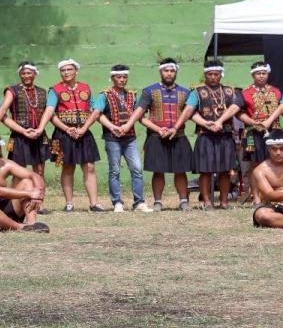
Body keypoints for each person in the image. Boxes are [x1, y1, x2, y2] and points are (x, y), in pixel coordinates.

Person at [127, 58, 194, 211]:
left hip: (179, 135)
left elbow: (189, 113)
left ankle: (183, 201)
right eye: (166, 70)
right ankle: (158, 202)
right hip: (156, 136)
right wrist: (158, 129)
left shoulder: (185, 92)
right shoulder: (149, 91)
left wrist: (206, 123)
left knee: (181, 170)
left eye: (172, 71)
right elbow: (140, 116)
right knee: (158, 170)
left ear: (176, 72)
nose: (169, 74)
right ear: (160, 71)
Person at [179, 59, 244, 210]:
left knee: (225, 170)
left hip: (225, 134)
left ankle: (224, 201)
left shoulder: (230, 91)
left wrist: (220, 121)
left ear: (221, 74)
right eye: (209, 74)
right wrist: (204, 123)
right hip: (205, 135)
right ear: (205, 74)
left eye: (216, 74)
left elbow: (236, 106)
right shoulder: (196, 92)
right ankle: (207, 201)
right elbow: (190, 111)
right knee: (206, 171)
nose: (213, 77)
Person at [42, 59, 105, 212]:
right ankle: (69, 203)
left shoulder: (86, 87)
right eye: (63, 70)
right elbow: (51, 113)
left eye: (70, 69)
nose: (66, 73)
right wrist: (67, 129)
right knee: (68, 167)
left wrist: (84, 128)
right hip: (63, 134)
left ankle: (94, 203)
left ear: (76, 71)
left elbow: (94, 110)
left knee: (89, 166)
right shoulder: (54, 90)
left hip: (84, 133)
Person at [91, 65, 151, 213]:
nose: (122, 80)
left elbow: (138, 115)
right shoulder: (104, 95)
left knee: (137, 169)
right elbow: (97, 114)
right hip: (112, 139)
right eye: (119, 77)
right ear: (112, 78)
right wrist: (112, 127)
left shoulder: (132, 95)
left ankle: (139, 202)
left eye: (124, 77)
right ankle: (117, 202)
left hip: (130, 138)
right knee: (115, 170)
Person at [238, 61, 283, 205]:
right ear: (253, 75)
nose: (261, 76)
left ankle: (272, 196)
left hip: (274, 131)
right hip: (254, 132)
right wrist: (253, 123)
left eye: (263, 73)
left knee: (275, 164)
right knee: (255, 165)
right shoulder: (245, 92)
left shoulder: (276, 91)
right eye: (258, 73)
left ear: (268, 74)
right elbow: (239, 113)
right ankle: (256, 197)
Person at [0, 61, 50, 181]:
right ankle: (17, 199)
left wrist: (40, 130)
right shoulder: (12, 90)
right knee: (18, 171)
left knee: (39, 171)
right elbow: (3, 110)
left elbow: (49, 113)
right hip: (19, 135)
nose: (26, 76)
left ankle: (38, 198)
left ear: (35, 74)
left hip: (38, 135)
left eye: (29, 73)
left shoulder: (42, 91)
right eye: (23, 73)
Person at [250, 131, 283, 229]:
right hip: (276, 207)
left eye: (282, 149)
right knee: (261, 214)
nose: (278, 152)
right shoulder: (260, 170)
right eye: (274, 149)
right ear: (268, 149)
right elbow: (269, 194)